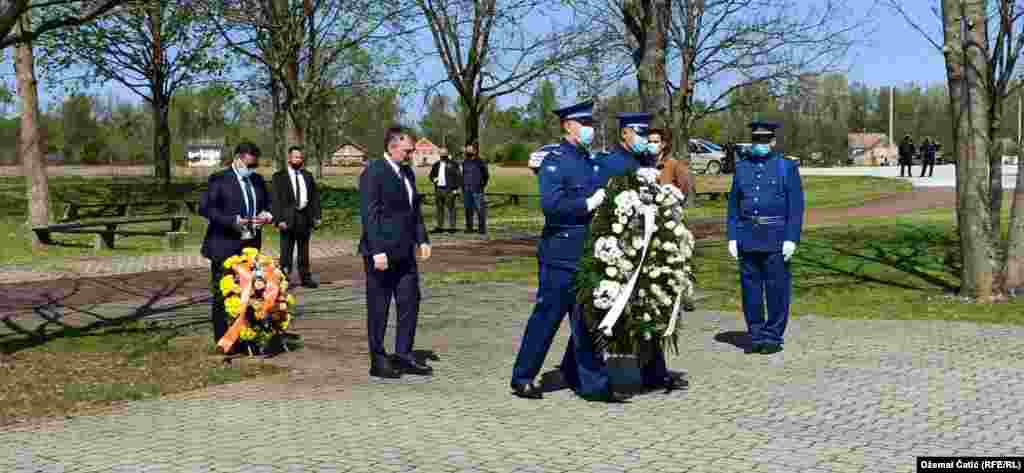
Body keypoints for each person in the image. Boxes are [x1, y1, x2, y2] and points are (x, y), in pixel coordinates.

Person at [509, 100, 629, 403]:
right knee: (546, 318)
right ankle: (523, 376)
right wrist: (586, 204)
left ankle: (593, 383)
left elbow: (618, 167)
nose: (591, 130)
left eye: (592, 125)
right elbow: (551, 205)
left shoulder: (590, 161)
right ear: (568, 127)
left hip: (588, 253)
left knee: (588, 321)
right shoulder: (555, 161)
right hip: (560, 254)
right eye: (585, 124)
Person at [561, 113, 687, 393]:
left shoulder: (647, 163)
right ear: (625, 135)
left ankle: (654, 373)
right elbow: (600, 204)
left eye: (647, 135)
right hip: (615, 249)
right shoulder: (609, 164)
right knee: (600, 312)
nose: (645, 141)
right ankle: (584, 375)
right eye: (639, 134)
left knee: (647, 307)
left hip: (645, 248)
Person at [358, 125, 433, 379]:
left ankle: (404, 354)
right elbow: (369, 215)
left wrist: (422, 238)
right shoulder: (374, 172)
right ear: (392, 146)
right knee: (379, 306)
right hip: (381, 254)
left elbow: (414, 211)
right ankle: (378, 359)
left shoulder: (407, 173)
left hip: (405, 252)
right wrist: (377, 250)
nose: (411, 155)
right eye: (407, 150)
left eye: (411, 151)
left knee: (410, 301)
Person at [726, 122, 805, 355]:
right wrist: (732, 236)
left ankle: (773, 335)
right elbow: (733, 205)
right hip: (748, 237)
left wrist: (791, 238)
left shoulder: (786, 167)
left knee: (776, 289)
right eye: (756, 141)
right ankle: (756, 334)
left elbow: (796, 207)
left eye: (764, 141)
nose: (759, 145)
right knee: (750, 291)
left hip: (775, 238)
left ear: (773, 142)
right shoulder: (742, 168)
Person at [199, 141, 274, 347]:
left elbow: (268, 203)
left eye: (254, 166)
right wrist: (232, 220)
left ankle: (245, 334)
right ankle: (223, 338)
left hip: (250, 245)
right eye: (249, 165)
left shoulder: (257, 180)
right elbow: (206, 208)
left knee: (248, 291)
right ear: (238, 159)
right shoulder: (219, 179)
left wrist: (267, 214)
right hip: (224, 244)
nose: (252, 170)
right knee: (223, 292)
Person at [272, 145, 321, 288]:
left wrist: (317, 216)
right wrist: (278, 219)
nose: (298, 160)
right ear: (289, 158)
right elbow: (275, 200)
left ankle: (305, 278)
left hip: (304, 217)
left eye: (300, 157)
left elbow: (314, 198)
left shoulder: (307, 175)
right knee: (286, 252)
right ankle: (284, 279)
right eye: (295, 157)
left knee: (304, 251)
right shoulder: (279, 177)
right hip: (287, 219)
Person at [649, 127, 693, 201]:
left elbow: (685, 188)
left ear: (663, 144)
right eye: (649, 142)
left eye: (656, 142)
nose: (651, 144)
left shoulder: (674, 164)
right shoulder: (645, 165)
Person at [460, 142, 489, 236]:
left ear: (475, 151)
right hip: (466, 190)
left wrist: (481, 185)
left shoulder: (480, 162)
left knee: (480, 209)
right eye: (467, 150)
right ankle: (469, 228)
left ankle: (482, 228)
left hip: (477, 190)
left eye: (470, 150)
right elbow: (463, 175)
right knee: (468, 210)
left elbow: (486, 175)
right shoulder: (465, 162)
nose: (468, 152)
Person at [429, 152, 462, 233]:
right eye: (441, 155)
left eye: (444, 155)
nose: (443, 156)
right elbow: (431, 175)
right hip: (438, 189)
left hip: (449, 189)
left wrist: (456, 189)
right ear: (439, 155)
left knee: (451, 209)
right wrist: (433, 179)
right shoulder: (436, 164)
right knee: (439, 209)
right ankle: (440, 227)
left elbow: (458, 177)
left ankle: (452, 227)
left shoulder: (453, 164)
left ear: (447, 155)